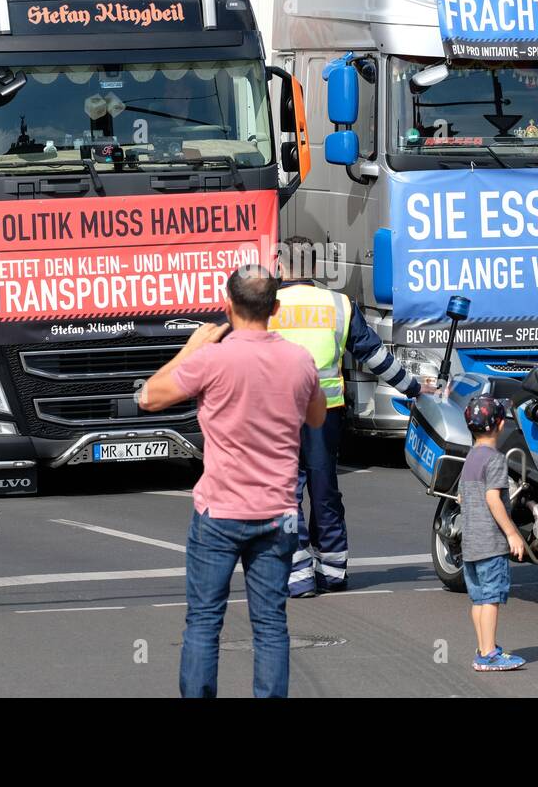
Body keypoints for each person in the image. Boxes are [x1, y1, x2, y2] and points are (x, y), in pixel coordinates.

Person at [139, 264, 326, 698]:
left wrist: (188, 349)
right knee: (271, 625)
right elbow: (316, 418)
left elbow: (147, 396)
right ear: (275, 308)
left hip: (220, 512)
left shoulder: (211, 359)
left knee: (204, 621)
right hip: (279, 512)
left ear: (228, 305)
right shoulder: (300, 360)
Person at [272, 237, 429, 598]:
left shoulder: (266, 305)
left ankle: (297, 577)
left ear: (279, 265)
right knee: (324, 489)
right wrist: (414, 389)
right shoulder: (337, 305)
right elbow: (375, 357)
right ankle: (332, 571)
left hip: (278, 415)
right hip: (324, 415)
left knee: (284, 494)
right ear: (315, 267)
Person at [459, 396, 528, 672]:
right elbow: (493, 499)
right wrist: (512, 533)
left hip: (471, 543)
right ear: (500, 425)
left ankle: (483, 646)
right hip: (490, 543)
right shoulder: (496, 460)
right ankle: (488, 654)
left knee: (479, 599)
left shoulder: (471, 457)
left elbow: (462, 498)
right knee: (491, 599)